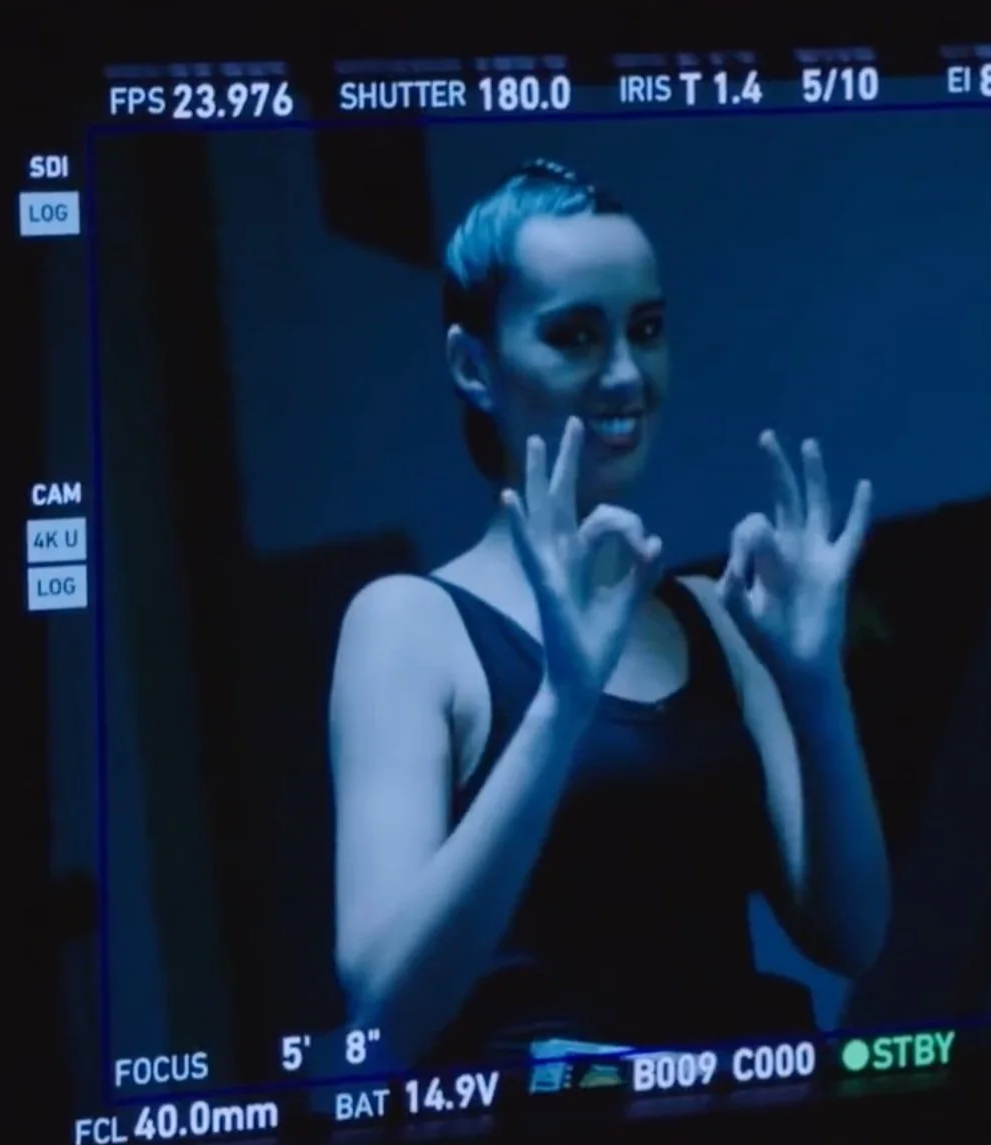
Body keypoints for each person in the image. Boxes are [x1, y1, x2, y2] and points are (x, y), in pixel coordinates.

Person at [328, 159, 892, 1066]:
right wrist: (561, 701)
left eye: (647, 328)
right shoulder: (407, 625)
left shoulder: (715, 618)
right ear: (473, 366)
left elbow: (851, 936)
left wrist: (815, 685)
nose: (627, 374)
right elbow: (383, 1009)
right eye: (576, 335)